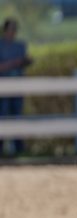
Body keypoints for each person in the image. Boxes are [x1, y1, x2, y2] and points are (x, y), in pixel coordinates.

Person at [0, 18, 32, 156]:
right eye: (10, 29)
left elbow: (25, 61)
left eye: (15, 29)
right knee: (2, 116)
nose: (13, 32)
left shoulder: (20, 46)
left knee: (17, 116)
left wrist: (25, 62)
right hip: (2, 87)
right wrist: (14, 63)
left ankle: (19, 149)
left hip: (17, 86)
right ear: (5, 30)